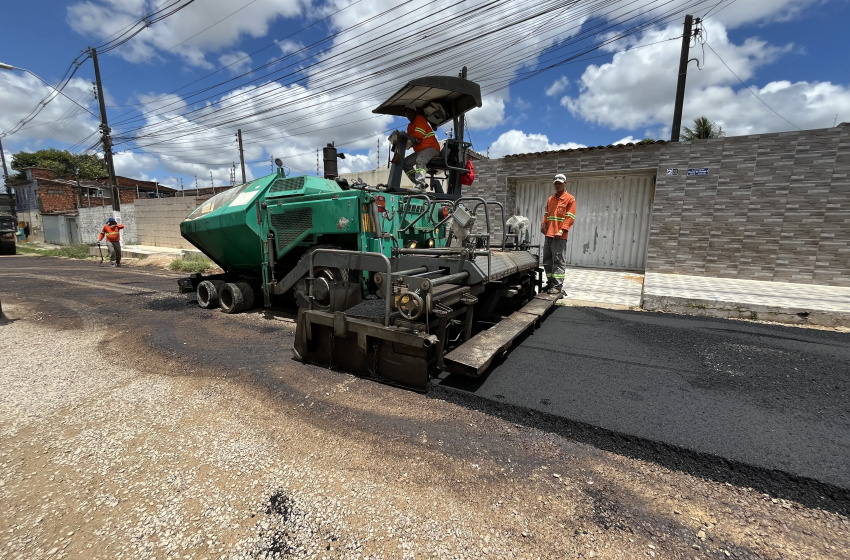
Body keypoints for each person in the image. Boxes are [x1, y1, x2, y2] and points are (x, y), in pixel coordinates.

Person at [540, 174, 576, 295]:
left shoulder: (570, 199)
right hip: (549, 235)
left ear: (565, 183)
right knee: (547, 260)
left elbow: (570, 217)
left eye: (560, 183)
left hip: (559, 237)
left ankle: (557, 286)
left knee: (558, 261)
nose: (558, 185)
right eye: (556, 183)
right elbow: (547, 214)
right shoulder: (551, 199)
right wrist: (543, 223)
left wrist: (561, 230)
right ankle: (550, 283)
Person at [402, 103, 441, 190]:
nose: (409, 114)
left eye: (410, 111)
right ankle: (419, 184)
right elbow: (411, 140)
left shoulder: (420, 119)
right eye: (406, 113)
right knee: (405, 163)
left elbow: (418, 136)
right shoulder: (409, 126)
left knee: (420, 159)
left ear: (415, 112)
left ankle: (420, 183)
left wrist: (411, 141)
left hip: (432, 148)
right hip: (420, 151)